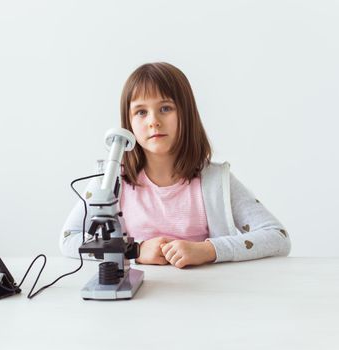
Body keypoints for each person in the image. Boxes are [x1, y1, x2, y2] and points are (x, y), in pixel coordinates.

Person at [60, 62, 291, 268]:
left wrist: (208, 250)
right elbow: (69, 238)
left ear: (186, 114)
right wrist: (135, 251)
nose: (154, 121)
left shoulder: (215, 181)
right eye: (141, 112)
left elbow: (277, 237)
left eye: (165, 108)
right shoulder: (110, 180)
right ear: (128, 123)